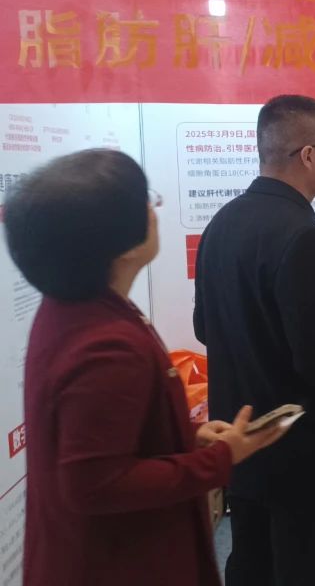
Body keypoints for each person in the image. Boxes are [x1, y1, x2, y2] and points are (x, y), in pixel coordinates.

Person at [13, 150, 283, 586]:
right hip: (119, 563)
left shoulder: (74, 308)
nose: (156, 208)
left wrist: (186, 437)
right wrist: (219, 459)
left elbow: (103, 439)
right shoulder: (105, 347)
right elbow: (96, 483)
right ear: (119, 243)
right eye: (145, 201)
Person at [195, 95, 315, 586]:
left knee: (251, 565)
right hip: (301, 450)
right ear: (308, 155)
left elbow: (204, 327)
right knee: (306, 569)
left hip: (242, 439)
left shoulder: (222, 222)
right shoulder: (303, 235)